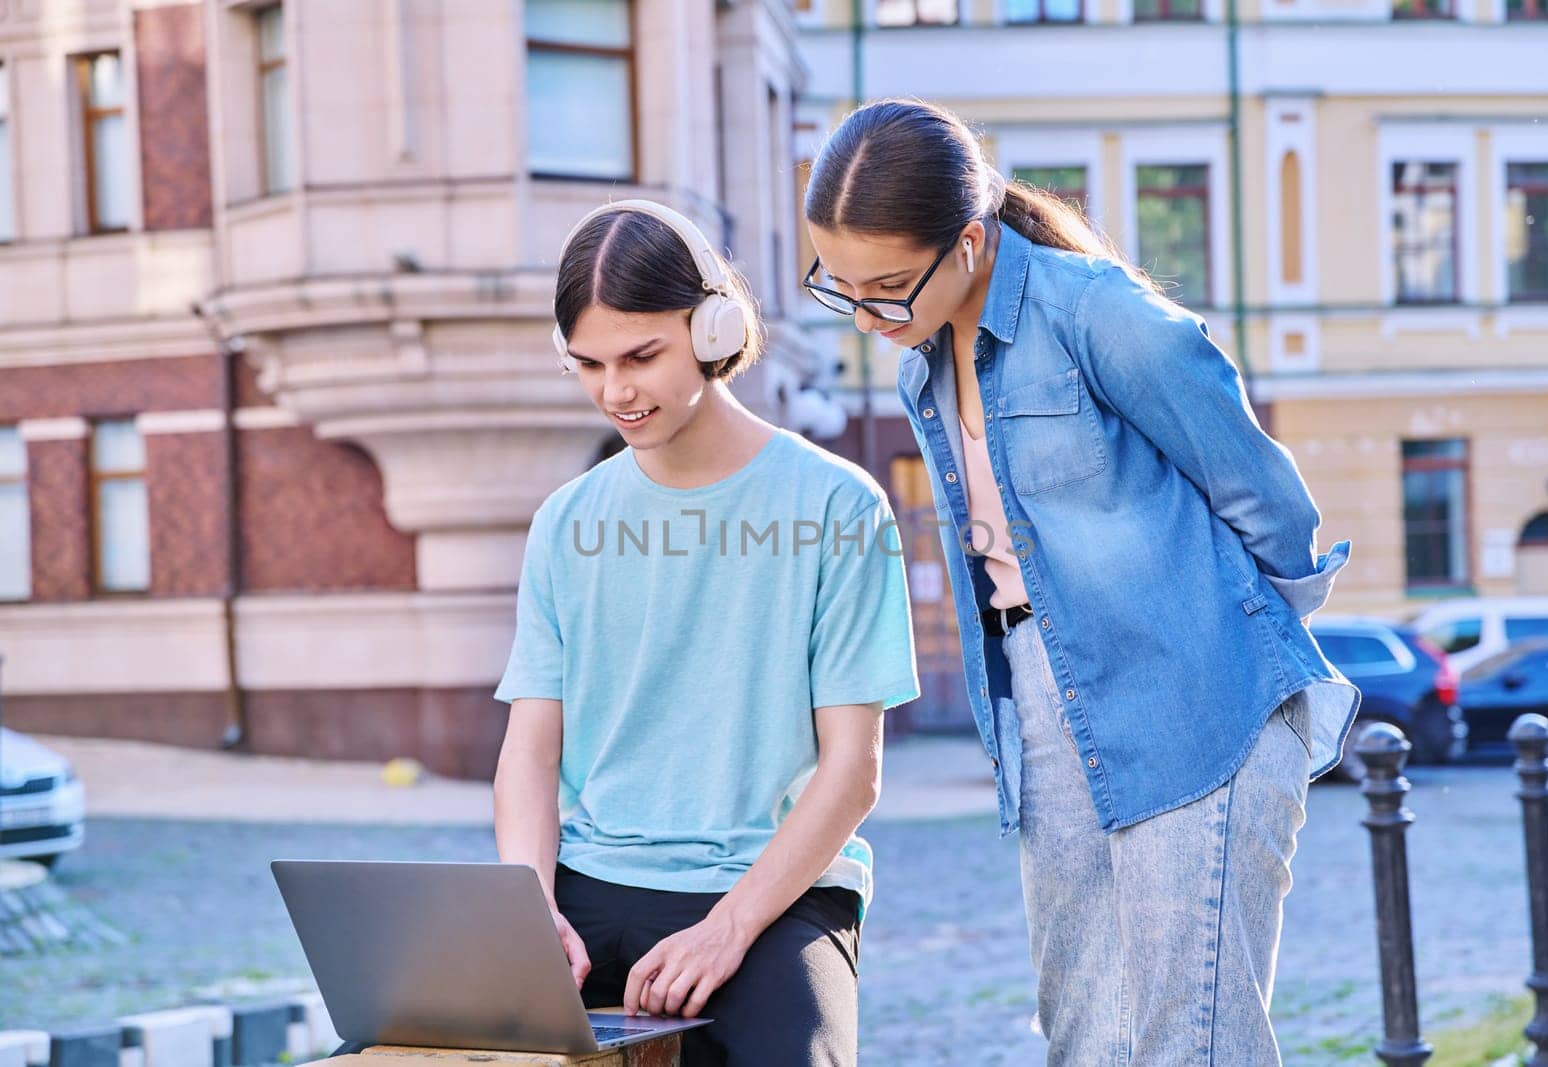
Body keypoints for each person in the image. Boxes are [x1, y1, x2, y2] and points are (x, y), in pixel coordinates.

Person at [801, 100, 1360, 1065]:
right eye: (841, 289)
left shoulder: (1099, 314)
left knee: (1192, 1040)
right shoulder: (922, 370)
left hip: (1196, 697)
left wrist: (1225, 641)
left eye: (888, 287)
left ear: (969, 243)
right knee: (1084, 1038)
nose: (866, 317)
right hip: (1048, 711)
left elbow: (1269, 500)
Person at [492, 199, 918, 1066]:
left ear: (713, 330)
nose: (617, 391)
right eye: (590, 364)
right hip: (596, 883)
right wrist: (530, 909)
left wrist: (727, 930)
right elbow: (530, 752)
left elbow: (853, 768)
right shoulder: (564, 522)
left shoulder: (839, 508)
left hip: (775, 891)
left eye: (642, 356)